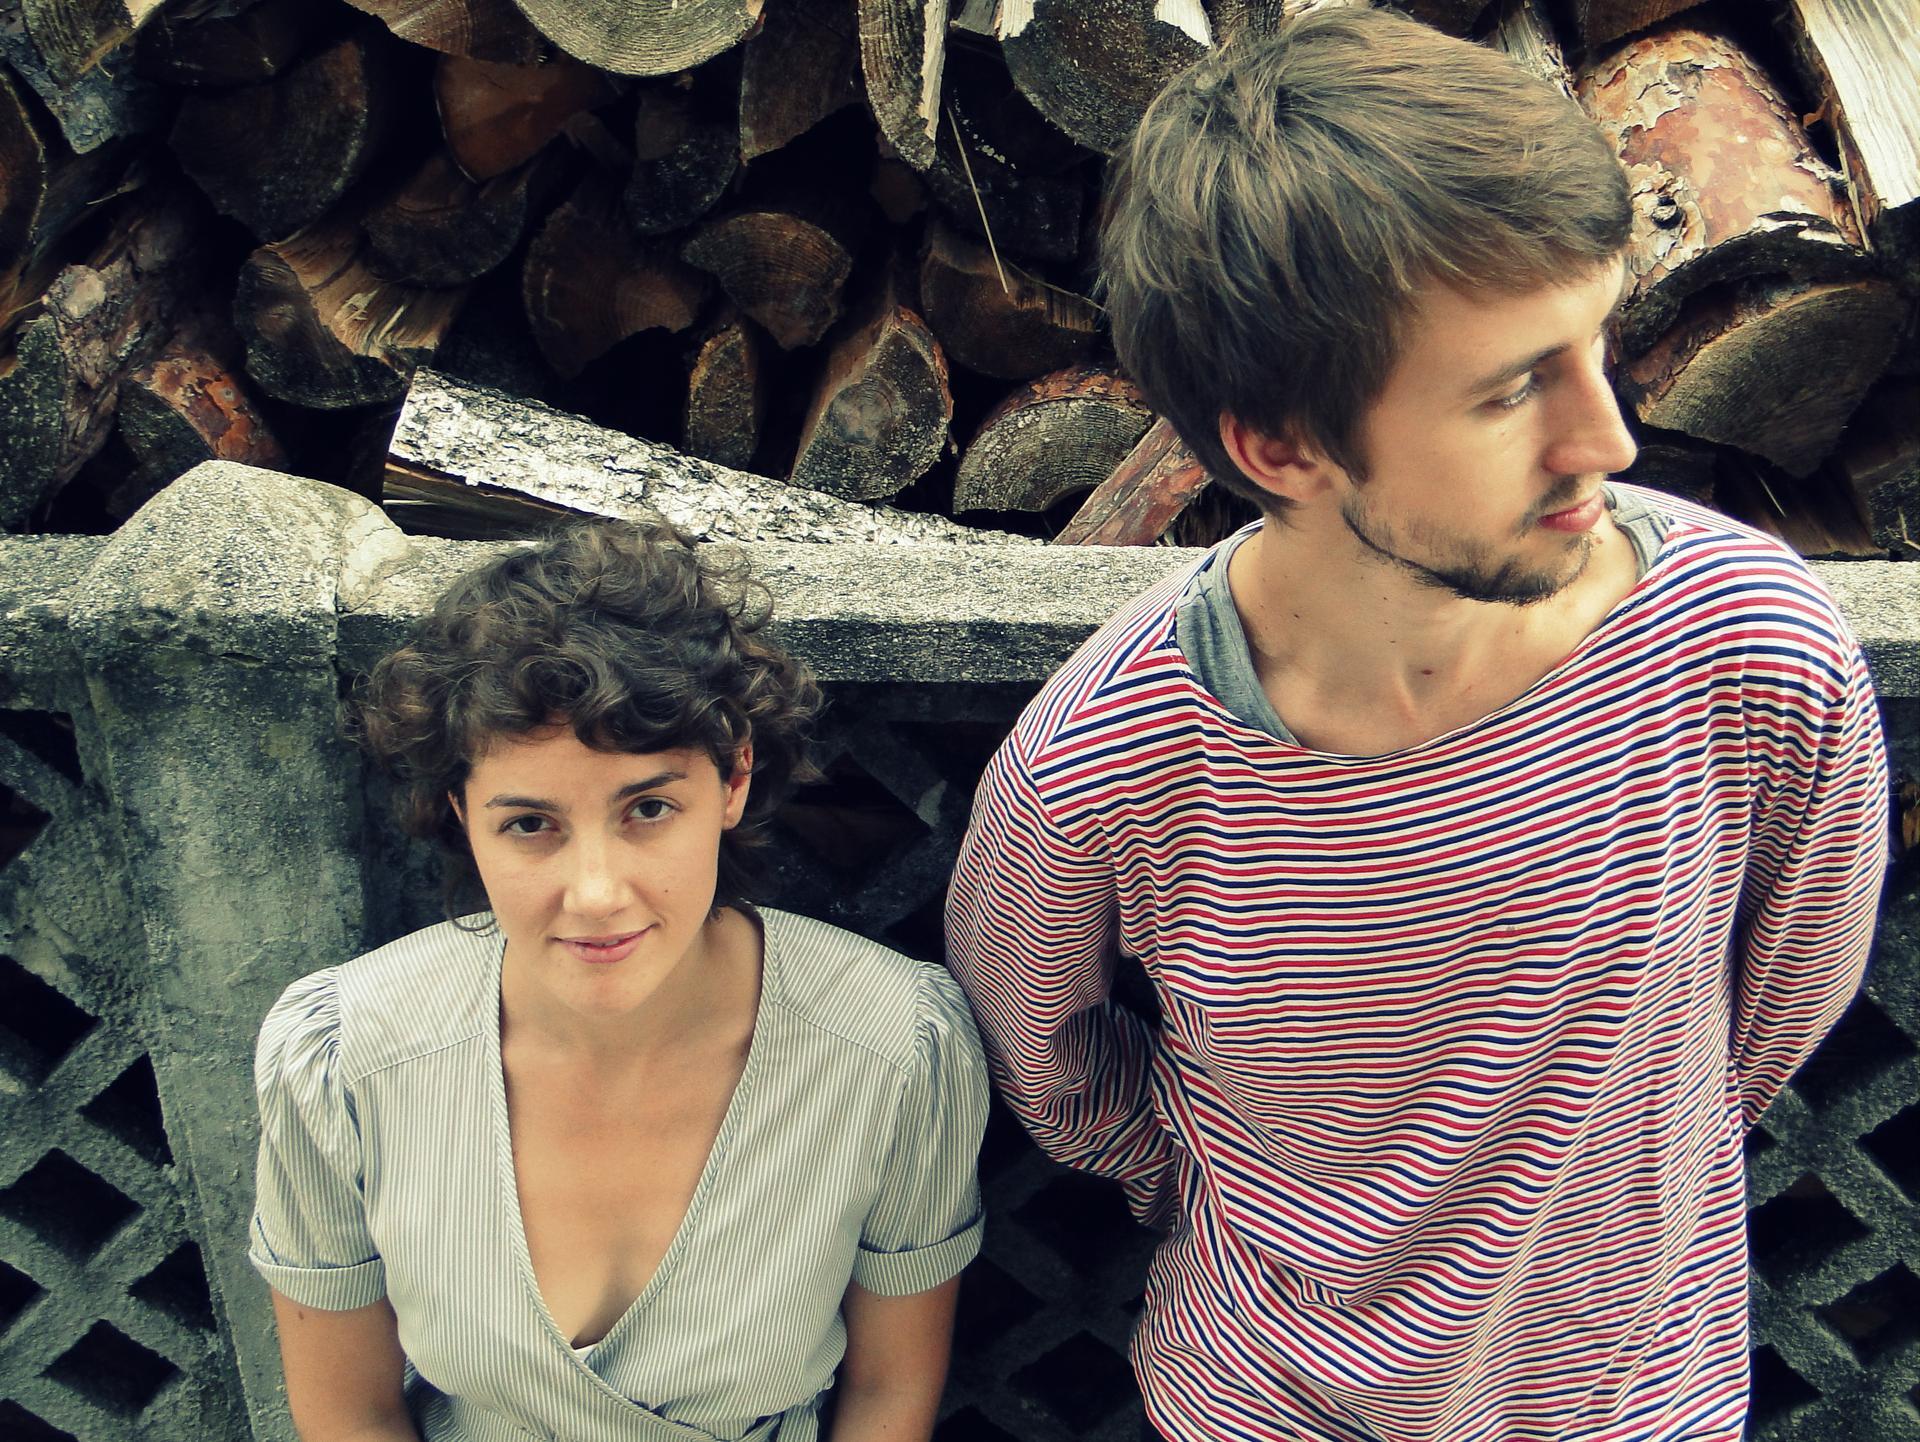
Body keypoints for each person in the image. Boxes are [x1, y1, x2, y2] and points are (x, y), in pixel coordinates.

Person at [945, 10, 1889, 1442]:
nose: (1609, 439)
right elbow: (1046, 1057)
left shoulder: (1750, 646)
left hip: (1637, 1405)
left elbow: (1779, 1003)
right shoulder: (1110, 758)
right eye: (1512, 389)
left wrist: (1621, 1171)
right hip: (1262, 1405)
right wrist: (1228, 1197)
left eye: (1595, 343)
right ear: (1280, 444)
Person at [249, 520, 988, 1442]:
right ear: (460, 814)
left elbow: (888, 1393)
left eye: (648, 808)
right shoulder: (343, 1062)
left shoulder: (896, 1048)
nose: (596, 895)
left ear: (733, 780)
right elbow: (348, 1411)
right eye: (530, 825)